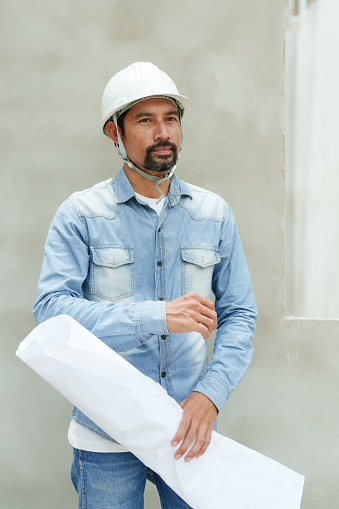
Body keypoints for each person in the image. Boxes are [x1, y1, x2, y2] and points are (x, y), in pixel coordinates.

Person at [33, 62, 257, 509]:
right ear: (115, 133)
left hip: (187, 428)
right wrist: (155, 316)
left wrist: (210, 395)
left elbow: (240, 314)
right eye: (145, 120)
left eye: (170, 118)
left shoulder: (213, 214)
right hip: (106, 434)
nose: (163, 132)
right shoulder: (81, 214)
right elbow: (51, 311)